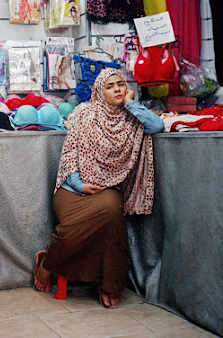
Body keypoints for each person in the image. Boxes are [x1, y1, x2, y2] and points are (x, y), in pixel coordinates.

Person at [34, 68, 164, 308]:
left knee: (112, 212)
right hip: (74, 190)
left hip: (107, 191)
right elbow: (69, 157)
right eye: (110, 86)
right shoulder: (85, 114)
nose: (116, 89)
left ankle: (111, 284)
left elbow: (157, 126)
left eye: (121, 85)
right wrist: (81, 185)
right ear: (99, 91)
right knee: (73, 228)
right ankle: (47, 264)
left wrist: (130, 105)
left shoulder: (131, 118)